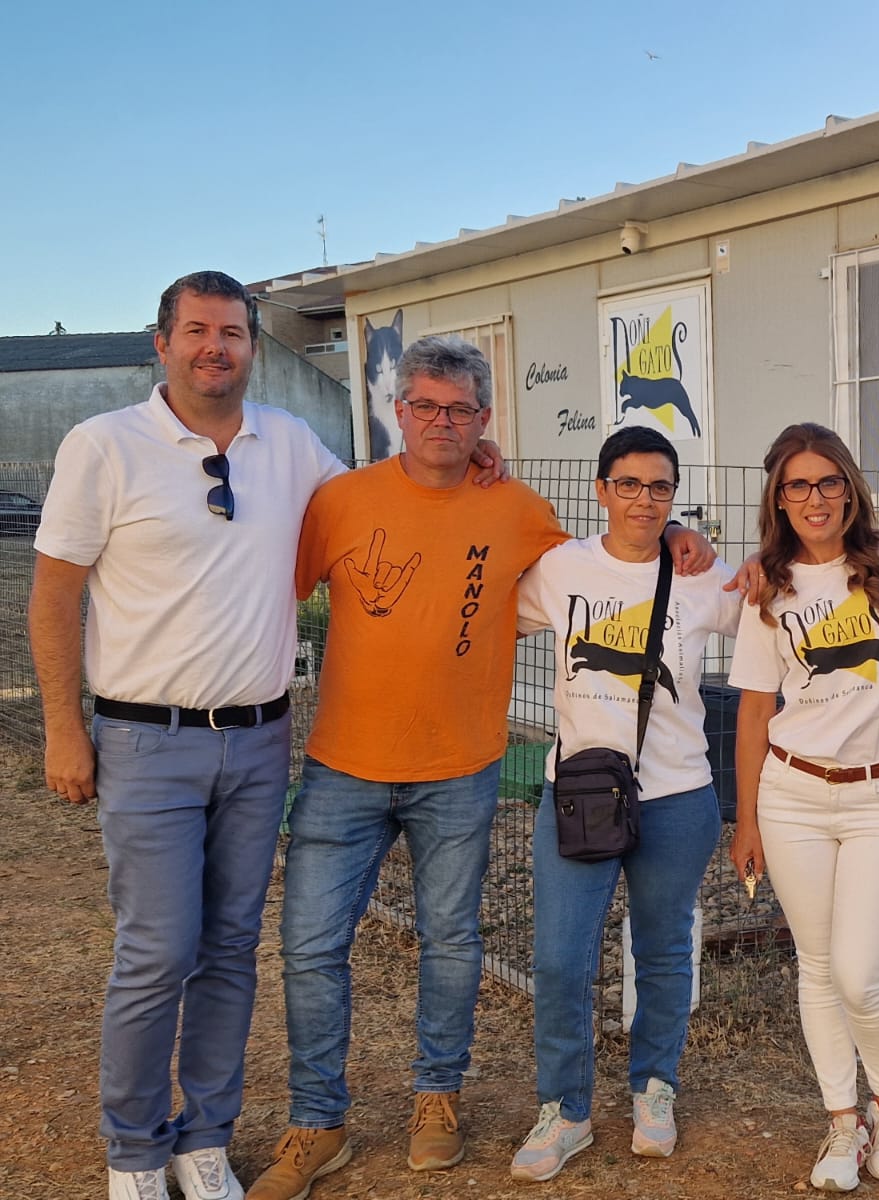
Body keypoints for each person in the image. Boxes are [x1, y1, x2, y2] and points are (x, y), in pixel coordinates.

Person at [247, 343, 715, 1200]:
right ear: (397, 407)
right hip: (341, 764)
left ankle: (438, 1100)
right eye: (425, 406)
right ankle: (318, 1120)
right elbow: (269, 586)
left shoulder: (515, 507)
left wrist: (678, 534)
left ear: (484, 421)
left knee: (453, 944)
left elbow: (615, 554)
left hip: (460, 768)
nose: (441, 423)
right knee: (312, 946)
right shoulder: (340, 501)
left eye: (460, 410)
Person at [29, 271, 349, 1200]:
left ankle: (203, 1139)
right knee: (157, 950)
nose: (219, 347)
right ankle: (133, 1149)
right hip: (145, 743)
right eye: (199, 331)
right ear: (162, 343)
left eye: (235, 333)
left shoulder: (287, 443)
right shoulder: (106, 447)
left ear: (253, 346)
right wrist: (63, 730)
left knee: (229, 948)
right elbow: (54, 598)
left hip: (257, 741)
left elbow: (373, 512)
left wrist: (470, 457)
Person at [508, 425, 741, 1183]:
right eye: (630, 484)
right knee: (560, 957)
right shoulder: (560, 568)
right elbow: (483, 603)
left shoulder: (700, 577)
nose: (645, 499)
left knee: (664, 949)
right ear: (602, 488)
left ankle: (654, 1089)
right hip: (578, 792)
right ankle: (565, 1109)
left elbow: (777, 600)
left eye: (661, 487)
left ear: (676, 496)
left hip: (678, 794)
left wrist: (695, 540)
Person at [725, 423, 879, 1192]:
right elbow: (751, 711)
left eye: (829, 481)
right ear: (779, 498)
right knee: (815, 967)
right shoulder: (766, 587)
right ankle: (841, 1123)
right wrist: (746, 817)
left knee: (858, 969)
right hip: (793, 794)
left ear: (851, 486)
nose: (816, 498)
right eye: (798, 486)